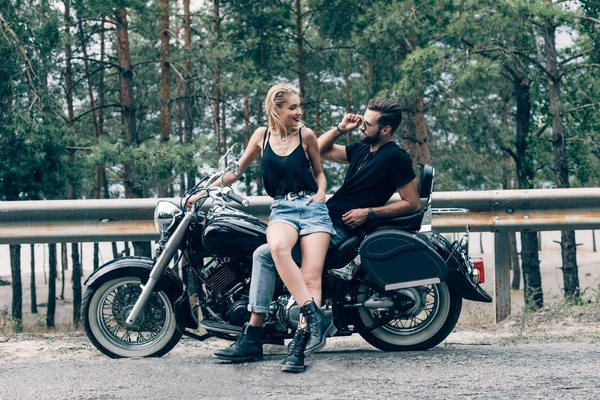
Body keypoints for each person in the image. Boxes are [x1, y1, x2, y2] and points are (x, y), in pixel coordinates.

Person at [213, 97, 422, 372]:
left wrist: (368, 213)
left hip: (344, 227)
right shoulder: (362, 148)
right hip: (323, 215)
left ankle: (268, 335)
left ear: (385, 130)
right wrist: (339, 128)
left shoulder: (396, 157)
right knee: (265, 250)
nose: (361, 126)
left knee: (266, 256)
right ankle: (264, 329)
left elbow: (412, 203)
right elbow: (314, 150)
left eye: (367, 124)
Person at [187, 83, 336, 373]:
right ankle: (314, 316)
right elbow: (235, 172)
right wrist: (203, 192)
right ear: (276, 109)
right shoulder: (261, 136)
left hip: (313, 209)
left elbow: (319, 174)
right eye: (292, 107)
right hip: (282, 208)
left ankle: (298, 347)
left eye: (298, 106)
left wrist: (320, 193)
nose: (299, 111)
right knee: (275, 248)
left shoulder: (306, 135)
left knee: (310, 276)